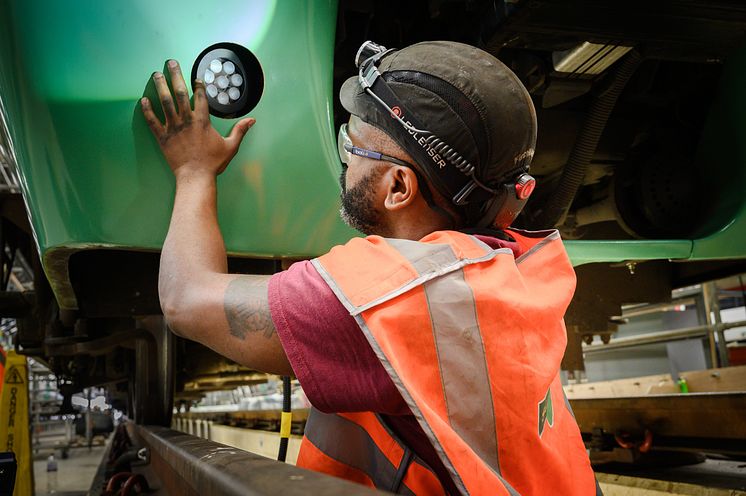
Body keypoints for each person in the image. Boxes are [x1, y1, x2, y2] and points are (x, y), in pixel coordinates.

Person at [141, 40, 599, 495]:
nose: (346, 159)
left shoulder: (389, 295)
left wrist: (194, 170)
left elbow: (185, 300)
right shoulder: (521, 265)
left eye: (351, 146)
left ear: (398, 186)